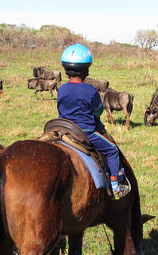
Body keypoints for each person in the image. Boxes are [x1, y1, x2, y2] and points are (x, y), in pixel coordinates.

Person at [56, 43, 130, 200]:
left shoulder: (61, 89)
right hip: (85, 133)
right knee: (111, 150)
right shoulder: (90, 90)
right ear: (86, 70)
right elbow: (98, 111)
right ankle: (115, 185)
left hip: (63, 129)